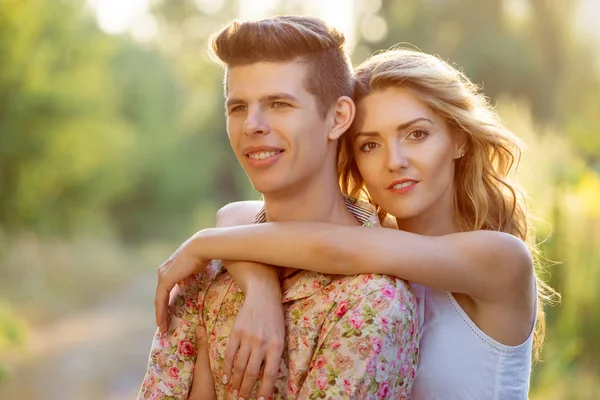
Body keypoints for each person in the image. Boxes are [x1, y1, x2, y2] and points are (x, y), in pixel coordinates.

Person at [157, 48, 558, 399]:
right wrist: (259, 289)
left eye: (416, 134)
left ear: (458, 141)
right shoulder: (381, 243)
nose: (394, 160)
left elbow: (327, 247)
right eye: (370, 144)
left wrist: (203, 244)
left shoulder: (500, 258)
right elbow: (238, 214)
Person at [138, 16, 419, 400]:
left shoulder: (373, 301)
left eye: (278, 104)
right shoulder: (207, 272)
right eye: (237, 108)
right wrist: (257, 283)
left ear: (338, 118)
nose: (252, 125)